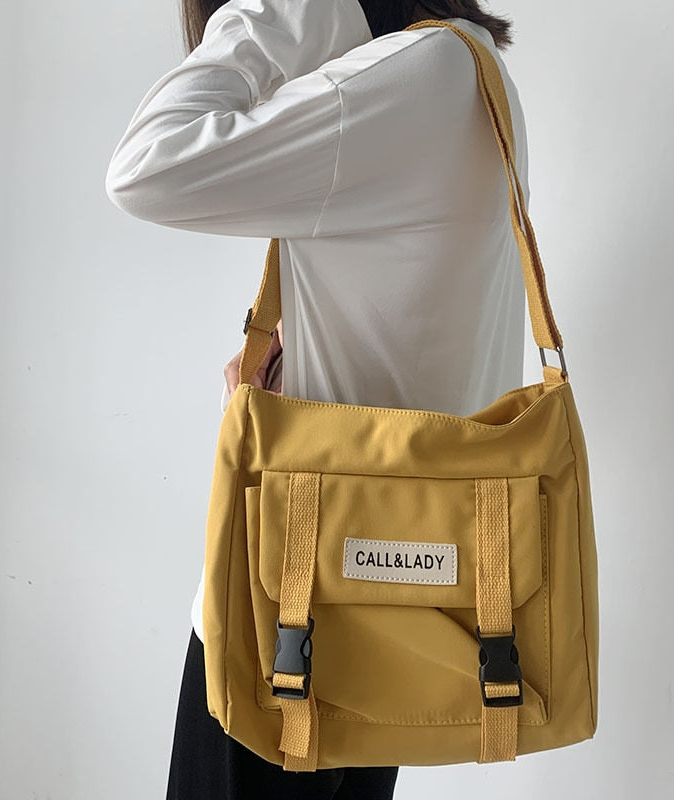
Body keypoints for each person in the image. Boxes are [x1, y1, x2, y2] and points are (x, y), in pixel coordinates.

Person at [104, 0, 527, 796]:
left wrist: (280, 12)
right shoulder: (470, 67)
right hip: (400, 606)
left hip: (292, 608)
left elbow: (143, 166)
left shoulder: (406, 77)